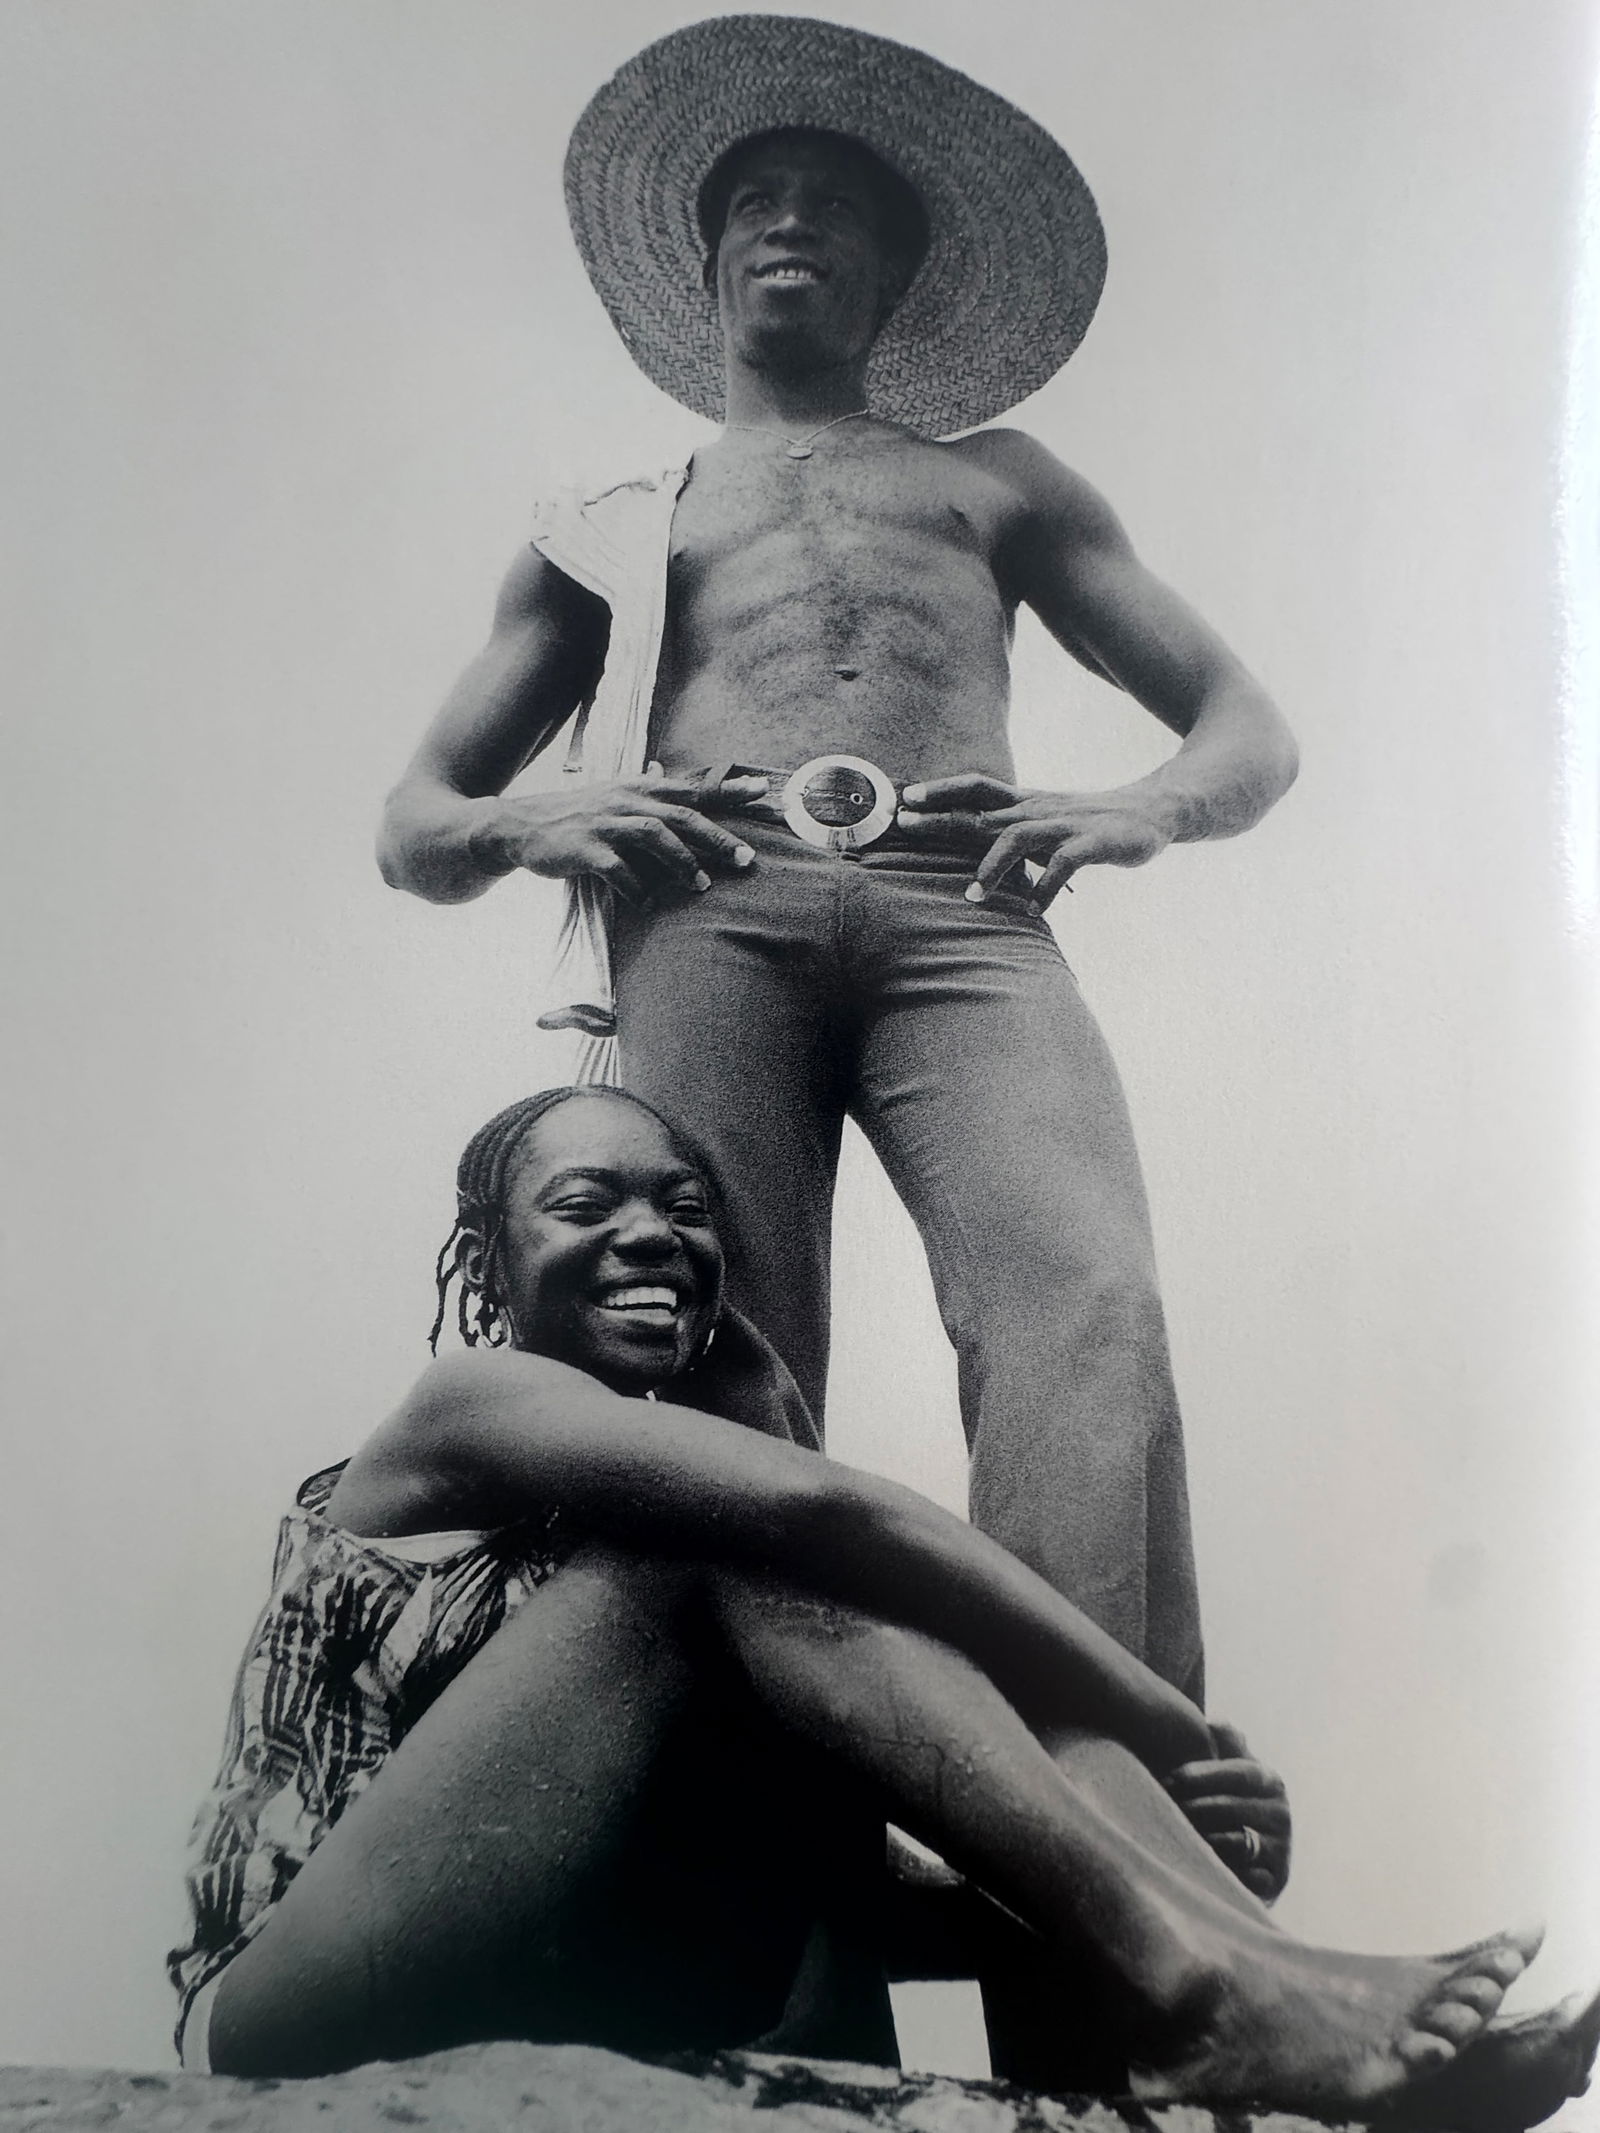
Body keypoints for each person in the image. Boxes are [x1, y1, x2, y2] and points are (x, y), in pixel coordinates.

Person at [375, 17, 1299, 1703]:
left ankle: (1101, 1777)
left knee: (1084, 1314)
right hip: (707, 911)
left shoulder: (996, 482)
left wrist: (1141, 807)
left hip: (969, 918)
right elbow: (419, 820)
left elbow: (1247, 724)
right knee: (723, 1363)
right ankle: (775, 1870)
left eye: (837, 207)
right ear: (713, 261)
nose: (793, 224)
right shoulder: (619, 520)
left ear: (893, 278)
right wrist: (538, 817)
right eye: (760, 202)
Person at [168, 1086, 1599, 2127]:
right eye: (584, 1203)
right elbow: (833, 1516)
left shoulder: (646, 1602)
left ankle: (1279, 1991)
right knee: (740, 1552)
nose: (649, 1232)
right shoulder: (461, 1410)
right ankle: (1207, 1980)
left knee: (1044, 1742)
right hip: (297, 2001)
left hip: (580, 1978)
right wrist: (1162, 1722)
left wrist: (1135, 1832)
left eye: (684, 1206)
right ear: (487, 1265)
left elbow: (837, 1866)